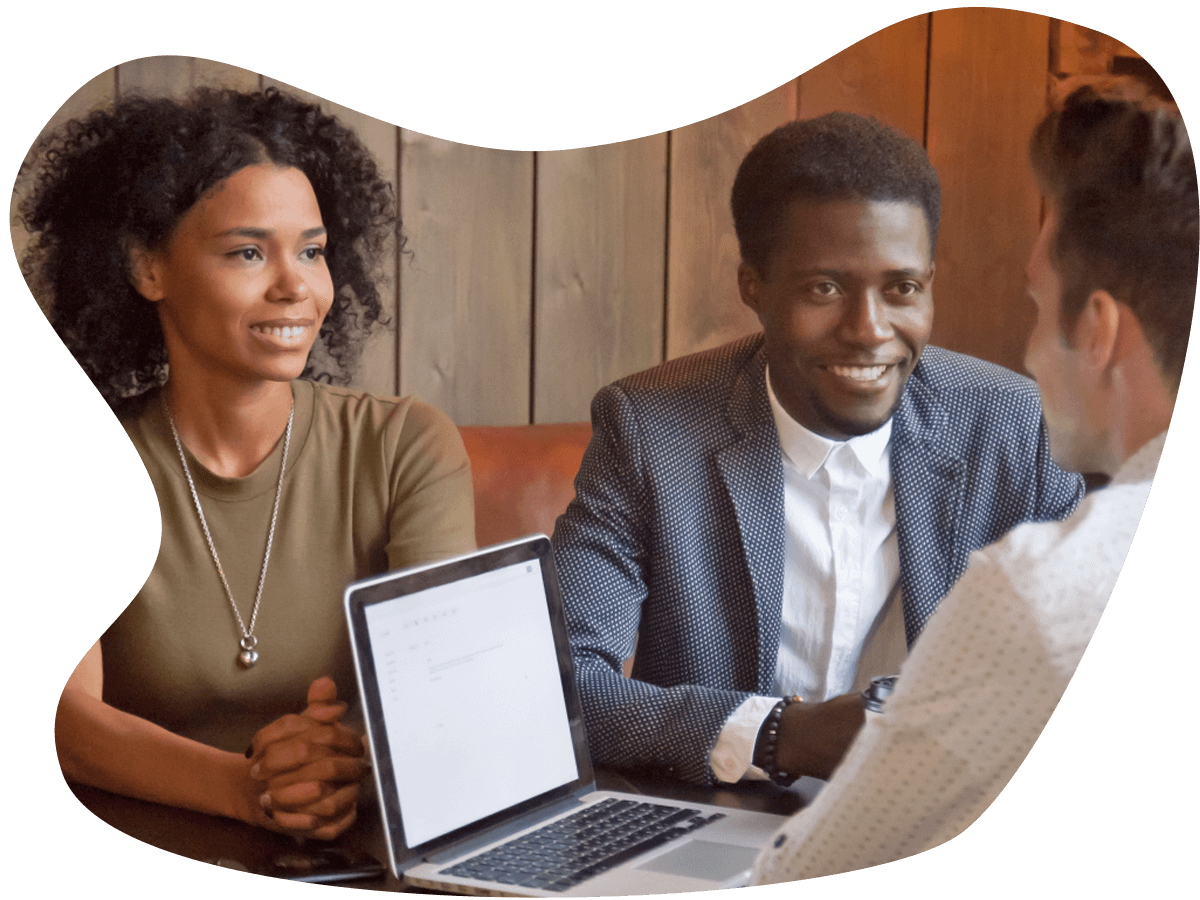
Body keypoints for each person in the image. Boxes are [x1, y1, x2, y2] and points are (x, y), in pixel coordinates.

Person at [552, 112, 1085, 787]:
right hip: (724, 826)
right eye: (824, 289)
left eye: (902, 289)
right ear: (755, 289)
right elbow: (562, 682)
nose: (870, 331)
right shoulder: (650, 431)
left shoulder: (1015, 428)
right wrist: (776, 736)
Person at [752, 77, 1192, 881]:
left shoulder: (1043, 589)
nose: (1025, 355)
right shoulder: (650, 425)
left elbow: (809, 868)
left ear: (1094, 331)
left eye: (1035, 304)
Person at [34, 87, 476, 839]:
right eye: (248, 251)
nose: (295, 285)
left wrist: (337, 770)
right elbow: (68, 724)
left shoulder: (407, 445)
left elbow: (447, 696)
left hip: (359, 847)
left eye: (311, 250)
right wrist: (245, 789)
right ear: (148, 268)